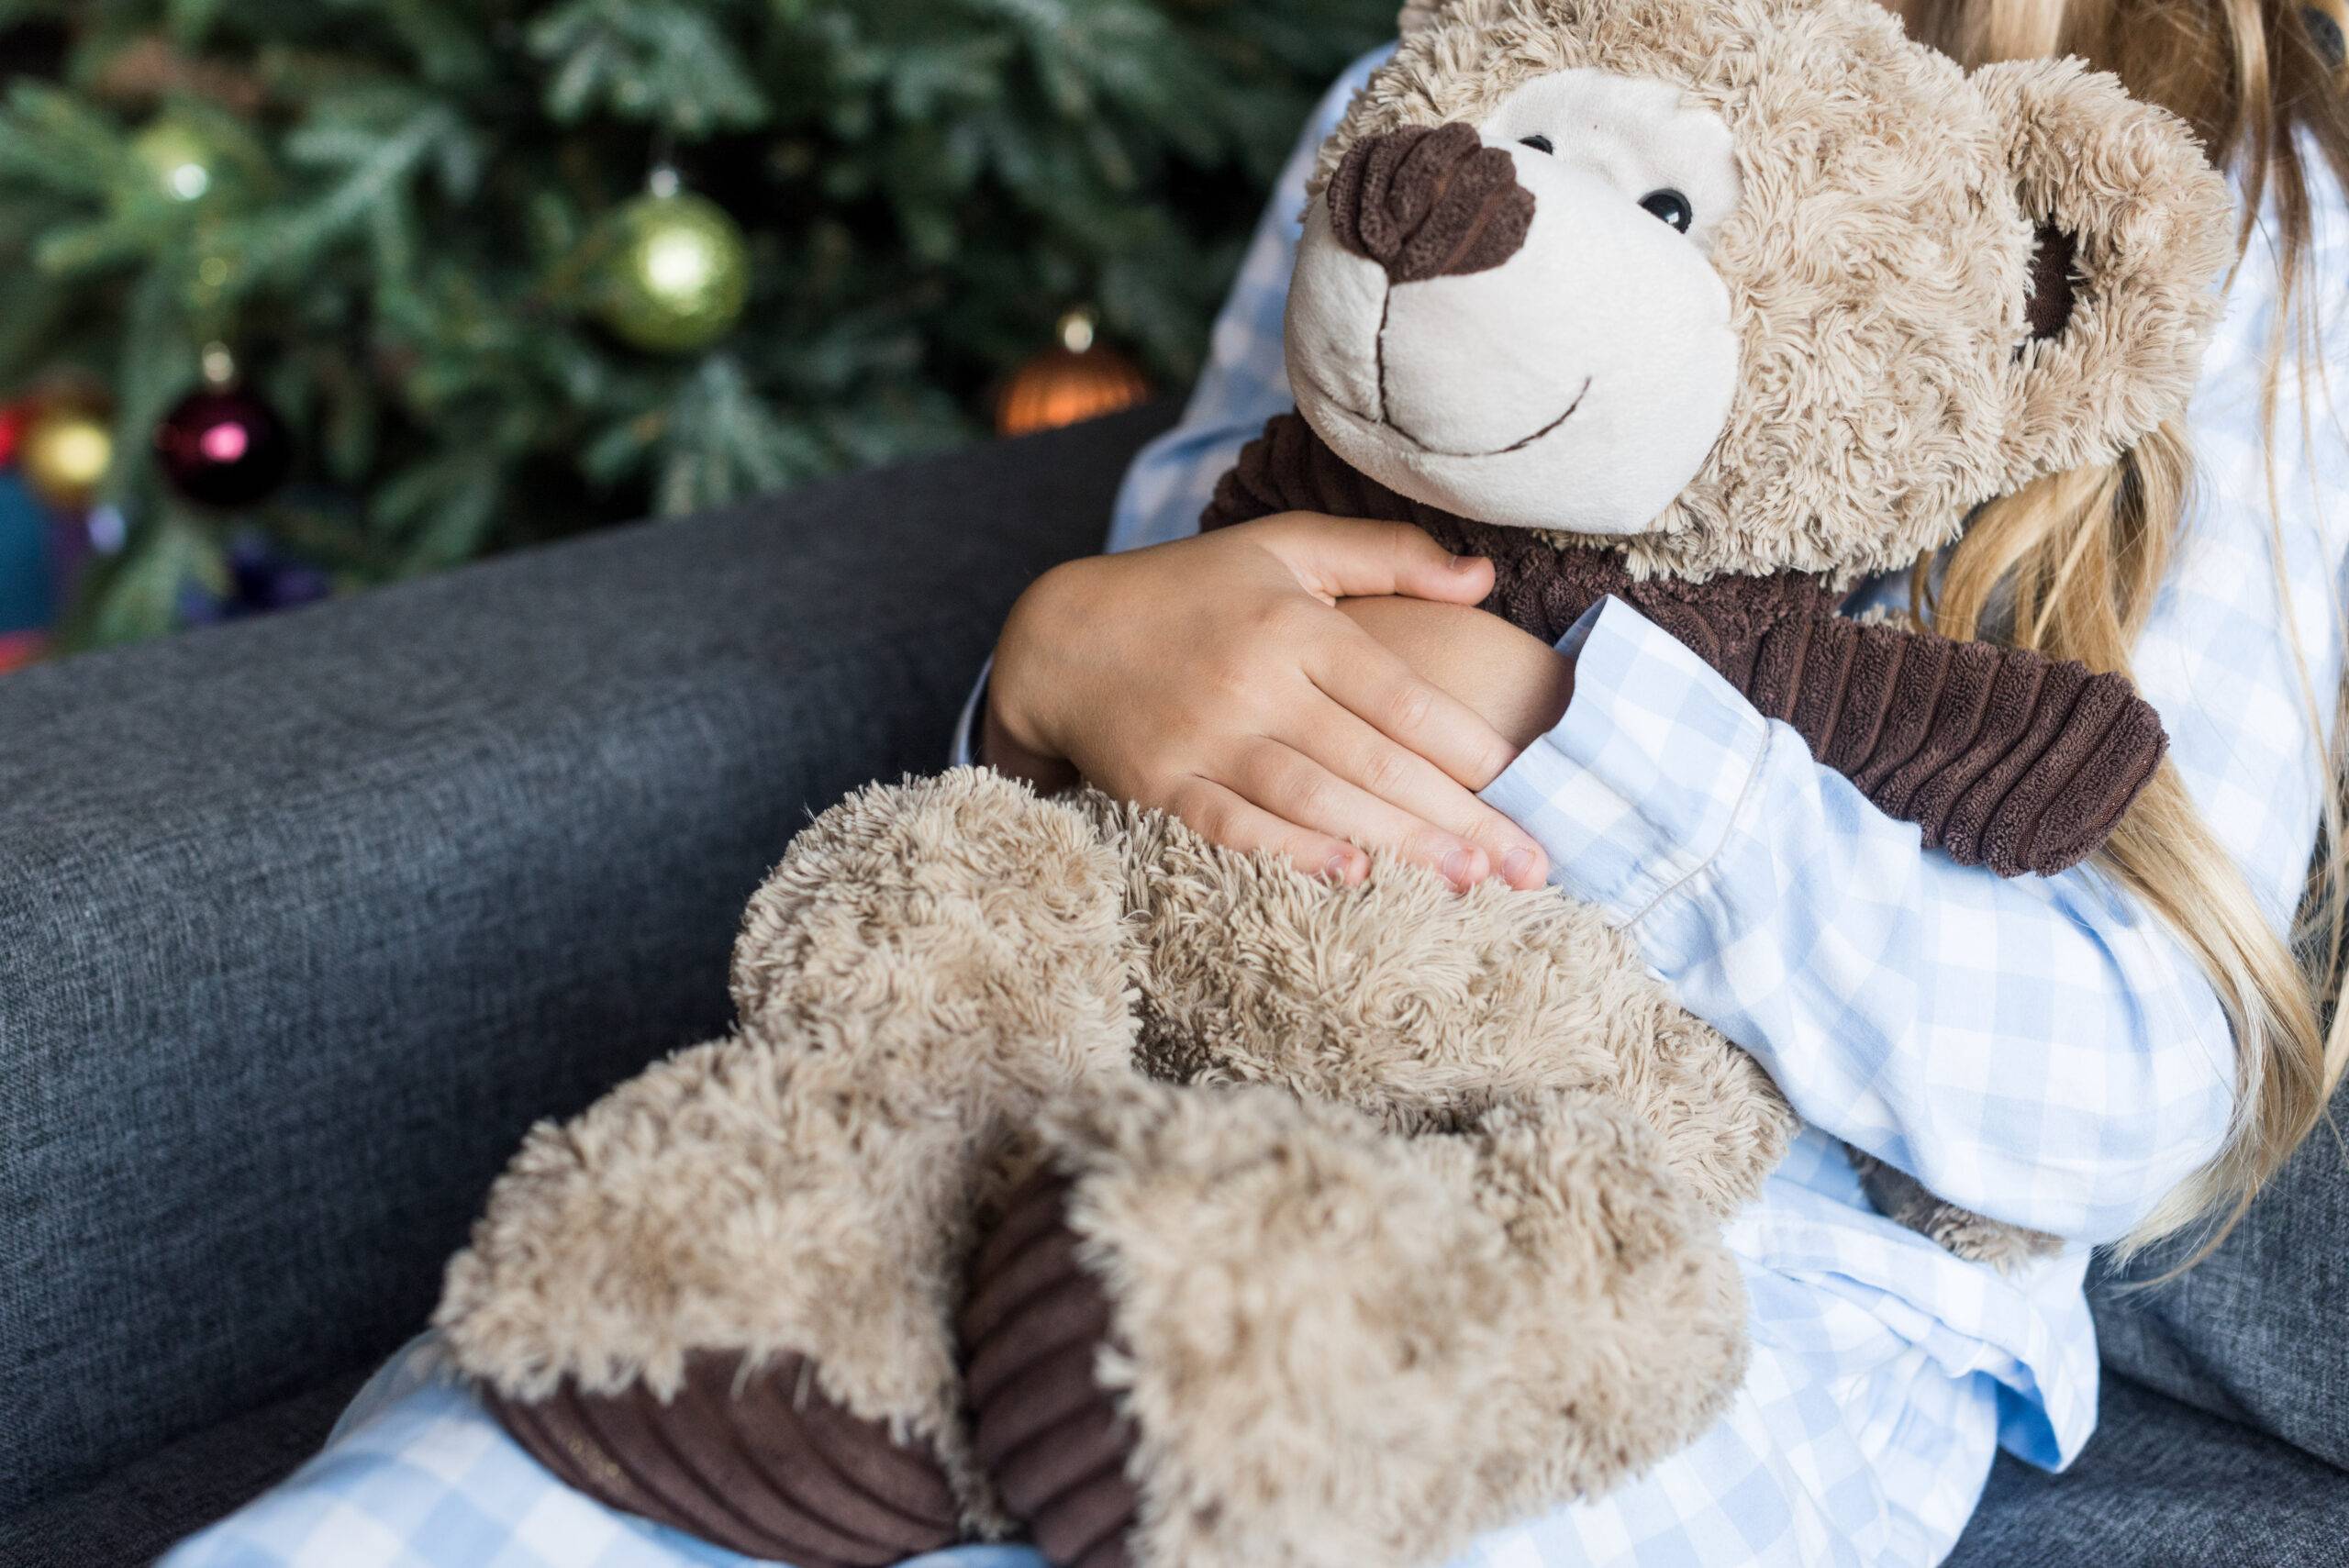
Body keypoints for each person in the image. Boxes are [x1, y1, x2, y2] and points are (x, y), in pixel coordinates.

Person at [168, 4, 2349, 1565]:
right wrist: (1056, 672)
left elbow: (2132, 1089)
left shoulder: (2247, 265)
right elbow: (1175, 689)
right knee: (519, 1463)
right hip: (1160, 1070)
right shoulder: (1457, 89)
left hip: (1721, 1273)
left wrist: (1568, 726)